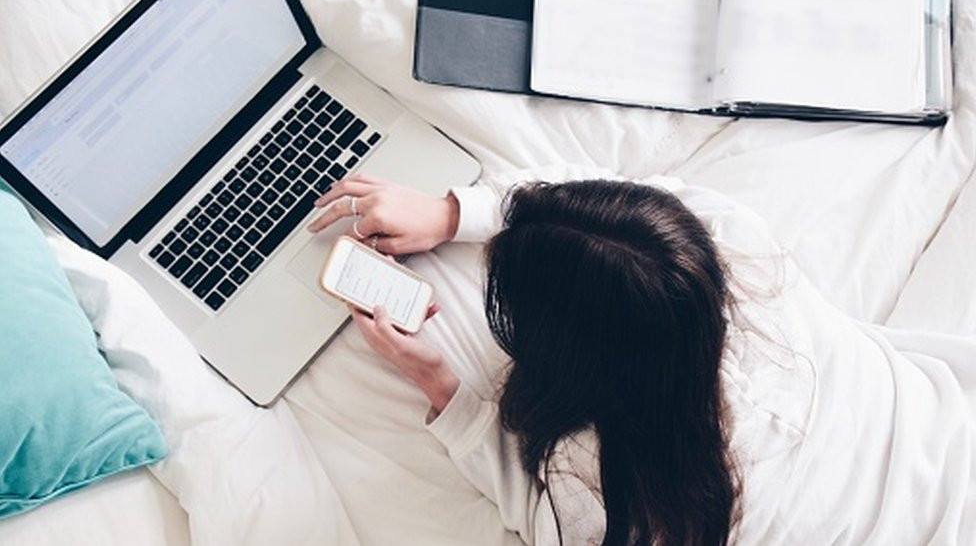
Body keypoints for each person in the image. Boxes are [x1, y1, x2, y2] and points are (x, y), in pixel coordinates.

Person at [307, 171, 976, 546]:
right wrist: (457, 211)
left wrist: (440, 383)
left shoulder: (607, 490)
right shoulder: (726, 236)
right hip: (952, 432)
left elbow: (536, 513)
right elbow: (634, 206)